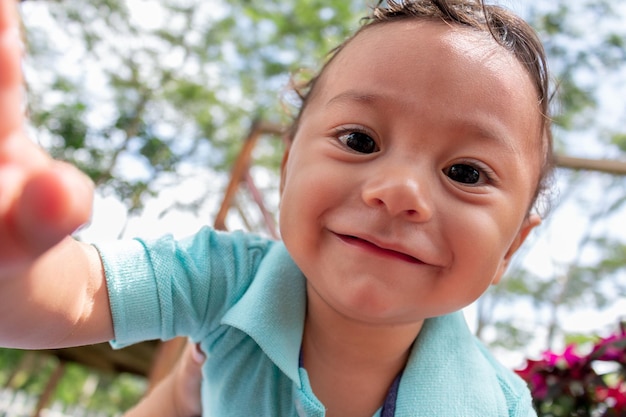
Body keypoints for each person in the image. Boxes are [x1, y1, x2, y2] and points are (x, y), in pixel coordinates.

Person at [0, 0, 554, 415]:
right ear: (288, 166)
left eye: (465, 173)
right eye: (360, 140)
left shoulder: (498, 404)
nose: (398, 190)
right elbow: (71, 295)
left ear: (511, 247)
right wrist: (17, 267)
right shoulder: (229, 278)